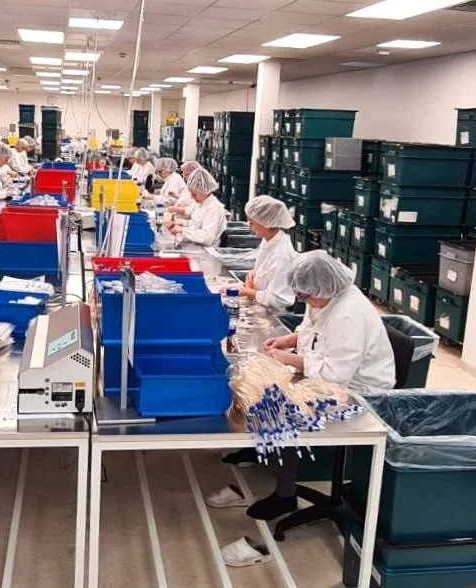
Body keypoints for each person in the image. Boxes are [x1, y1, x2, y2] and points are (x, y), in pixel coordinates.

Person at [209, 251, 395, 521]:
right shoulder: (325, 296)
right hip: (331, 377)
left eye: (307, 296)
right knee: (255, 388)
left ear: (323, 288)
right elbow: (313, 330)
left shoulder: (349, 314)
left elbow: (336, 373)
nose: (304, 301)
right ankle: (260, 449)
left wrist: (289, 359)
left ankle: (285, 495)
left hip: (360, 391)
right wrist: (288, 341)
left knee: (283, 408)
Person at [236, 196, 297, 310]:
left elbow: (279, 299)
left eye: (252, 222)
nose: (248, 225)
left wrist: (246, 291)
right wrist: (255, 274)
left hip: (273, 313)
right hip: (261, 306)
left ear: (266, 223)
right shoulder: (269, 240)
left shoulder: (281, 254)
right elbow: (267, 270)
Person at [165, 168, 225, 250]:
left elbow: (206, 237)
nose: (192, 198)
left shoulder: (213, 208)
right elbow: (196, 223)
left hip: (205, 252)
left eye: (194, 194)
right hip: (195, 247)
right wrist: (180, 223)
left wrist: (182, 230)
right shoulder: (202, 204)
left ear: (204, 190)